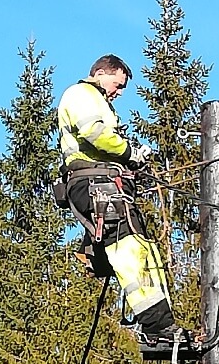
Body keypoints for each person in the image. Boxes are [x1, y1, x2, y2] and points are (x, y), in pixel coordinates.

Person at [57, 54, 178, 340]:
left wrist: (130, 160)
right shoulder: (81, 94)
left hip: (104, 182)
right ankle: (157, 327)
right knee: (129, 248)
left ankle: (97, 256)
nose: (119, 92)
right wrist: (129, 153)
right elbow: (93, 133)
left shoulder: (99, 102)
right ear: (100, 73)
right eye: (118, 84)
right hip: (96, 183)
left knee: (142, 248)